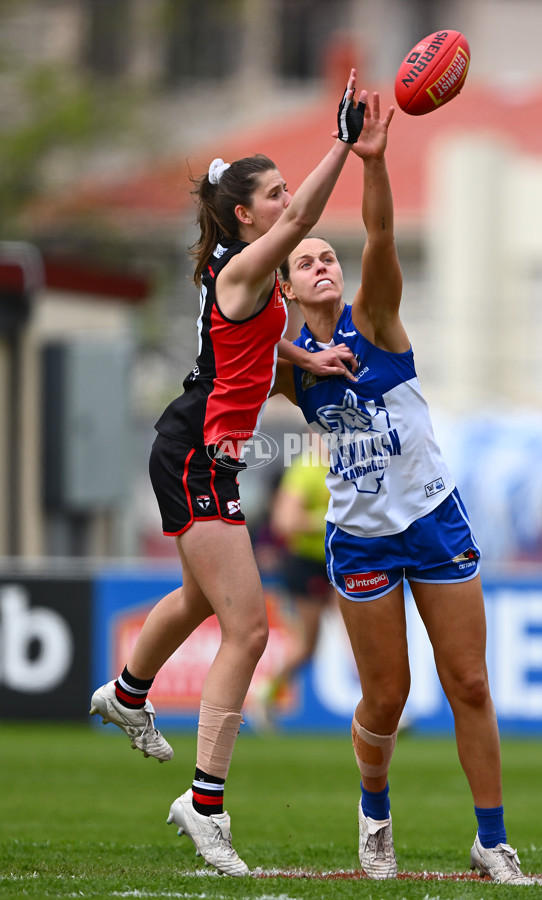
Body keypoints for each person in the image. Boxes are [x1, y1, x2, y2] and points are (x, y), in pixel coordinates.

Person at [89, 70, 368, 877]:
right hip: (196, 452)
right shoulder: (247, 268)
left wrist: (307, 354)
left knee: (204, 599)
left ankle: (129, 693)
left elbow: (252, 342)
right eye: (275, 194)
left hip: (199, 449)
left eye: (287, 190)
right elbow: (312, 218)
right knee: (247, 628)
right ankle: (204, 804)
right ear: (246, 213)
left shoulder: (245, 273)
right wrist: (342, 143)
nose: (288, 202)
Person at [274, 93, 531, 884]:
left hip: (432, 519)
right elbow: (230, 320)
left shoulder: (374, 320)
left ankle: (490, 839)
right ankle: (375, 818)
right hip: (360, 539)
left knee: (471, 683)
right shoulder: (288, 368)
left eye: (327, 256)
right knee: (385, 700)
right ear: (283, 290)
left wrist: (373, 159)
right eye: (305, 260)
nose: (324, 264)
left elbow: (381, 235)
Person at [255, 435, 334, 725]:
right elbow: (284, 521)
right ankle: (265, 692)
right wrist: (328, 520)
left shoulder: (348, 466)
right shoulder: (305, 470)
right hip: (308, 565)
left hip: (341, 562)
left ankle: (387, 709)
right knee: (307, 647)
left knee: (360, 638)